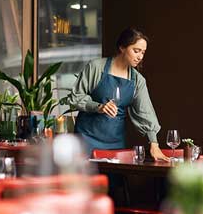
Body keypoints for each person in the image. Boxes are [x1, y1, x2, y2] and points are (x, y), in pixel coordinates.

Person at [72, 27, 169, 161]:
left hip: (116, 143)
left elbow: (145, 112)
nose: (140, 56)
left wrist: (154, 144)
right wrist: (98, 107)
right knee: (88, 181)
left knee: (114, 181)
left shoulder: (137, 80)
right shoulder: (96, 67)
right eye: (136, 51)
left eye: (143, 52)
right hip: (86, 138)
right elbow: (76, 96)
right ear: (122, 47)